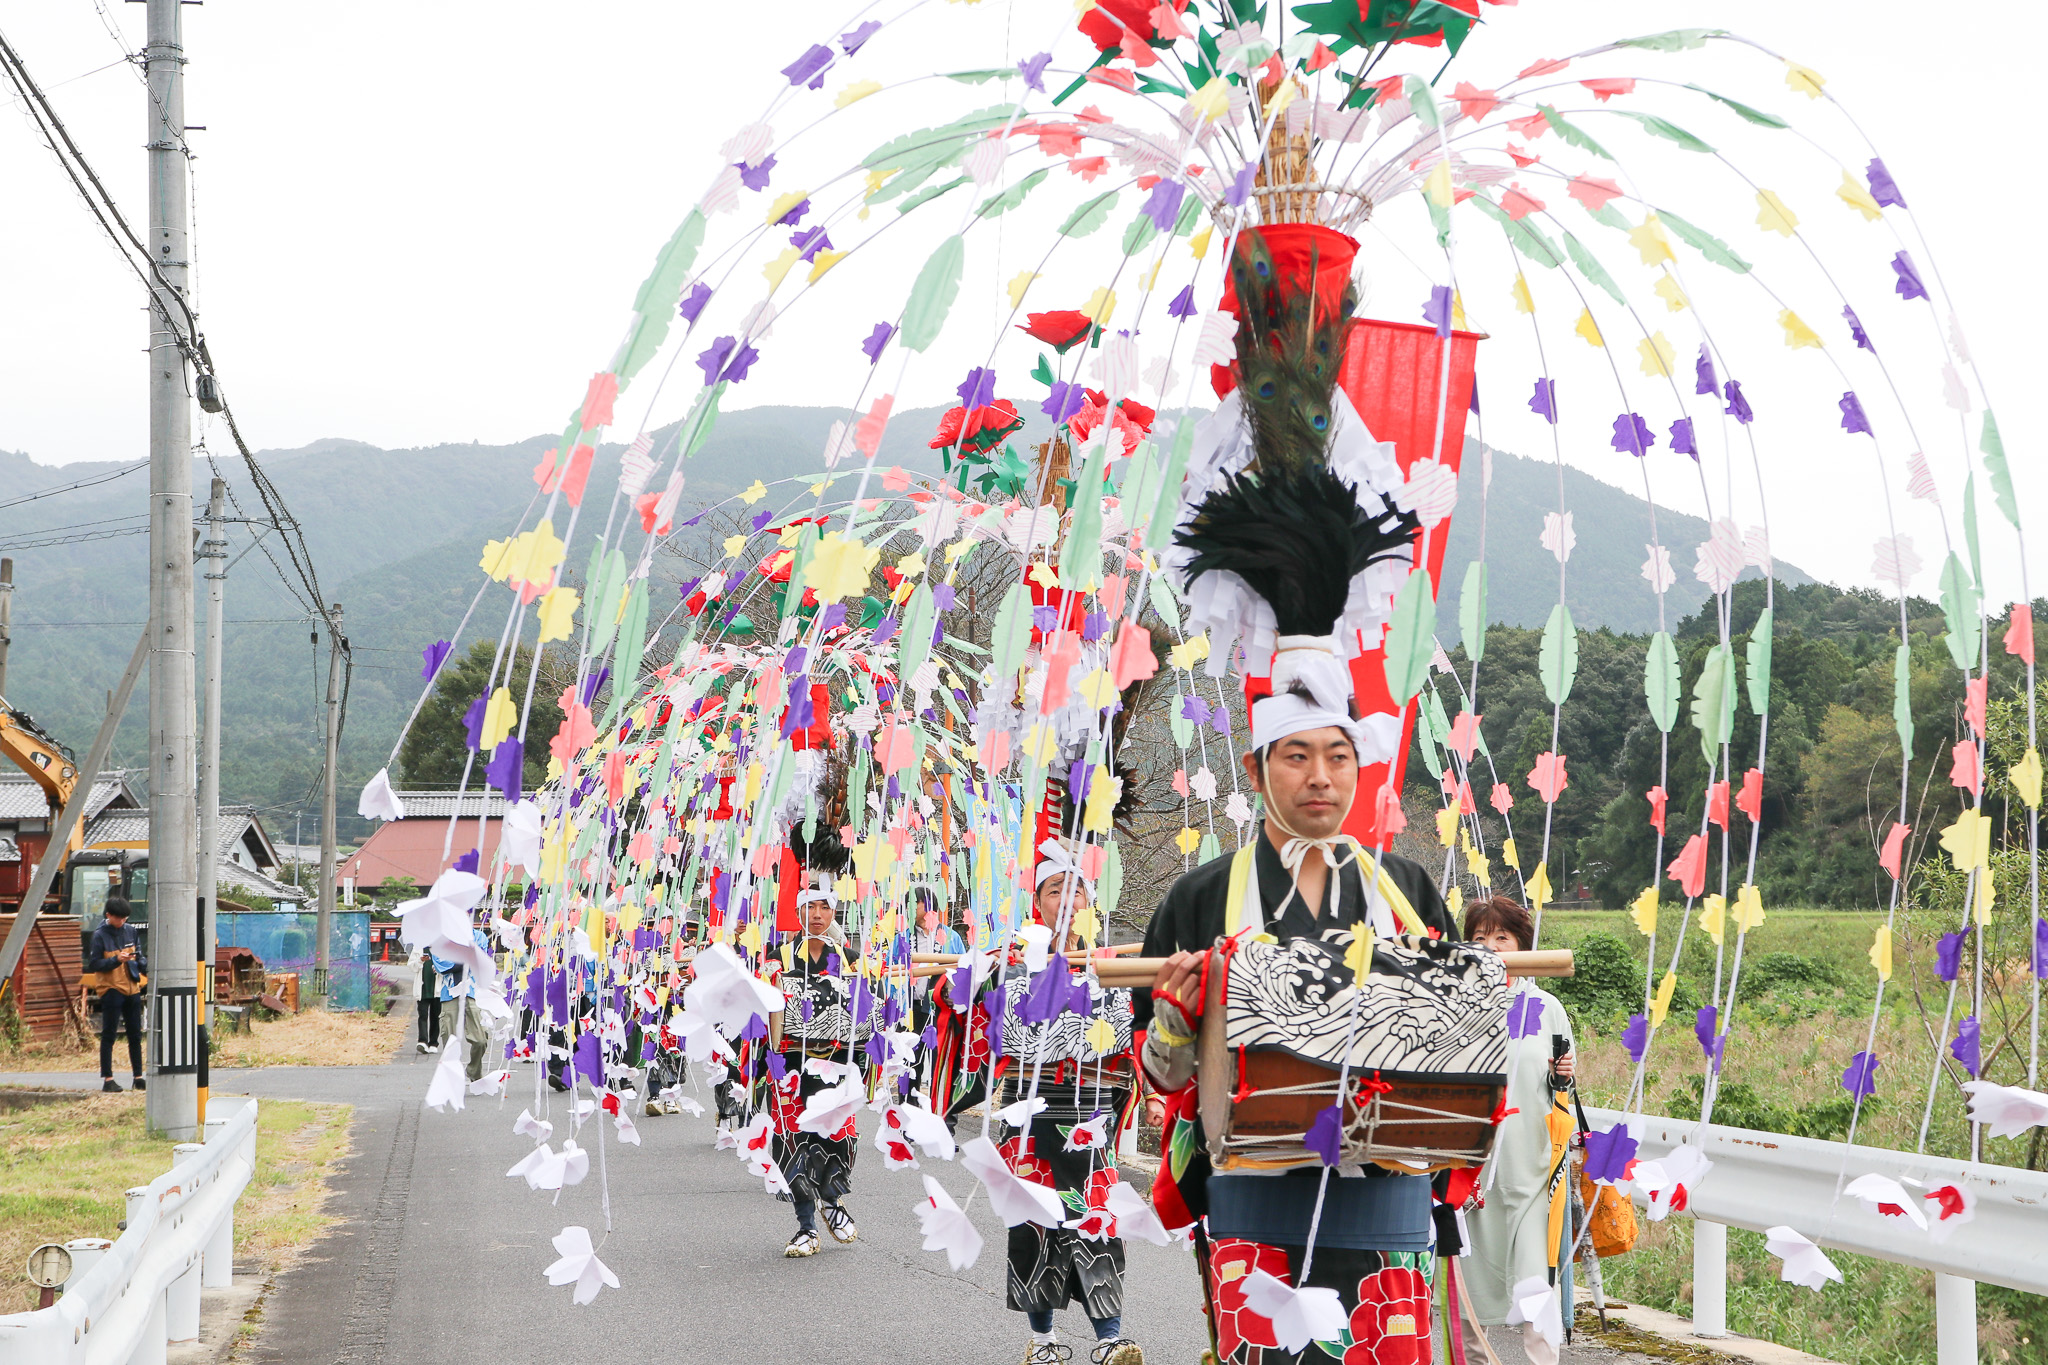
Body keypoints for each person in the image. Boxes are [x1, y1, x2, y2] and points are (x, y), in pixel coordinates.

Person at [1138, 689, 1457, 1365]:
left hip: (1387, 1204)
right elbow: (1162, 1073)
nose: (1321, 775)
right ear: (1255, 770)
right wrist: (1173, 1020)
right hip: (1255, 1204)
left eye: (1338, 757)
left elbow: (1452, 1051)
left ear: (1357, 768)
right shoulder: (1200, 898)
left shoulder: (1407, 891)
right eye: (1297, 755)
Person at [936, 843, 1144, 1365]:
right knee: (1034, 1223)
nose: (1068, 900)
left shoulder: (1111, 964)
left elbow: (1130, 1040)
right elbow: (958, 1005)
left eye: (1079, 891)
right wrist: (973, 976)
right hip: (1032, 1109)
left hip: (1091, 1112)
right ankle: (1044, 1338)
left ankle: (1109, 1336)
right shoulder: (1011, 961)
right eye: (1056, 890)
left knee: (1095, 1217)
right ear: (1039, 900)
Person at [1459, 896, 1576, 1328]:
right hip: (1474, 1161)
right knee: (1471, 1281)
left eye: (1501, 937)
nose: (1490, 947)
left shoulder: (1547, 1008)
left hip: (1532, 1162)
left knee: (1533, 1280)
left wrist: (1562, 1074)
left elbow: (1563, 1087)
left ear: (1523, 945)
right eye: (1479, 938)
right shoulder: (1457, 1005)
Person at [761, 882, 864, 1257]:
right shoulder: (778, 958)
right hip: (790, 1061)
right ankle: (805, 1226)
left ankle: (833, 1202)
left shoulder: (851, 958)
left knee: (838, 1136)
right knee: (794, 1141)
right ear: (797, 912)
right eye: (809, 907)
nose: (817, 914)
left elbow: (865, 1013)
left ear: (834, 913)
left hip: (836, 1062)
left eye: (824, 907)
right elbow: (765, 1012)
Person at [86, 896, 147, 1093]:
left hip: (132, 987)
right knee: (109, 1035)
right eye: (119, 918)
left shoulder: (131, 931)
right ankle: (108, 1079)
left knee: (135, 1035)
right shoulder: (99, 935)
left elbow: (140, 956)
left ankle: (138, 1077)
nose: (122, 922)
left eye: (125, 918)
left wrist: (144, 965)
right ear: (108, 916)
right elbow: (94, 964)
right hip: (111, 989)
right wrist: (116, 960)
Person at [409, 942, 443, 1053]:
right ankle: (422, 1041)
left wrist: (439, 970)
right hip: (422, 988)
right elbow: (411, 966)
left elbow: (447, 966)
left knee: (435, 1016)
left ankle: (433, 1043)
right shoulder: (417, 948)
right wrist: (420, 960)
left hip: (437, 988)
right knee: (422, 1015)